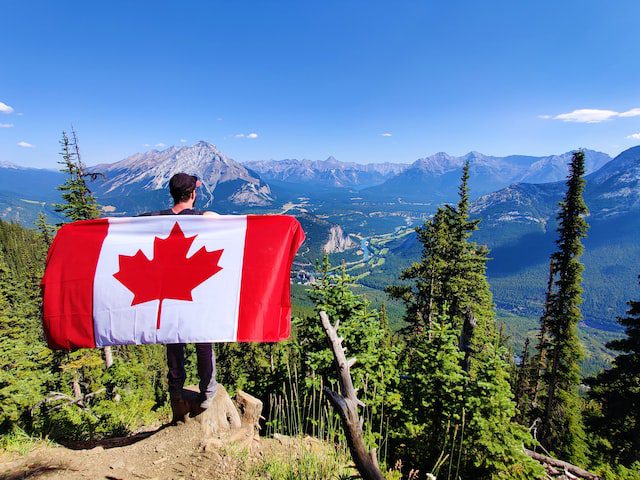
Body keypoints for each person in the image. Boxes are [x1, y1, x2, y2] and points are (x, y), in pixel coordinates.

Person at [140, 173, 218, 413]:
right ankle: (208, 391)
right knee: (204, 342)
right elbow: (217, 219)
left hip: (166, 292)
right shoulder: (202, 218)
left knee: (173, 341)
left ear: (172, 194)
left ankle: (176, 391)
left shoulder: (153, 219)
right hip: (195, 291)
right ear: (193, 194)